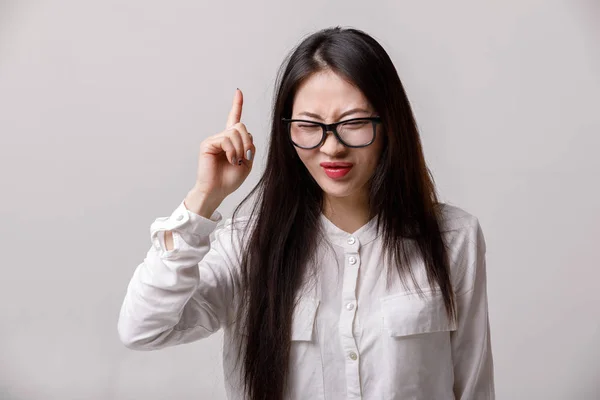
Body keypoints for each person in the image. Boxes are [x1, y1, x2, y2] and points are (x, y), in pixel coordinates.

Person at [118, 26, 495, 400]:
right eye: (310, 126)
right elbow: (143, 329)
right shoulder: (247, 242)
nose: (331, 148)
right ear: (288, 131)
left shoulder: (453, 238)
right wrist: (203, 197)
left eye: (353, 123)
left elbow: (473, 386)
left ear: (389, 125)